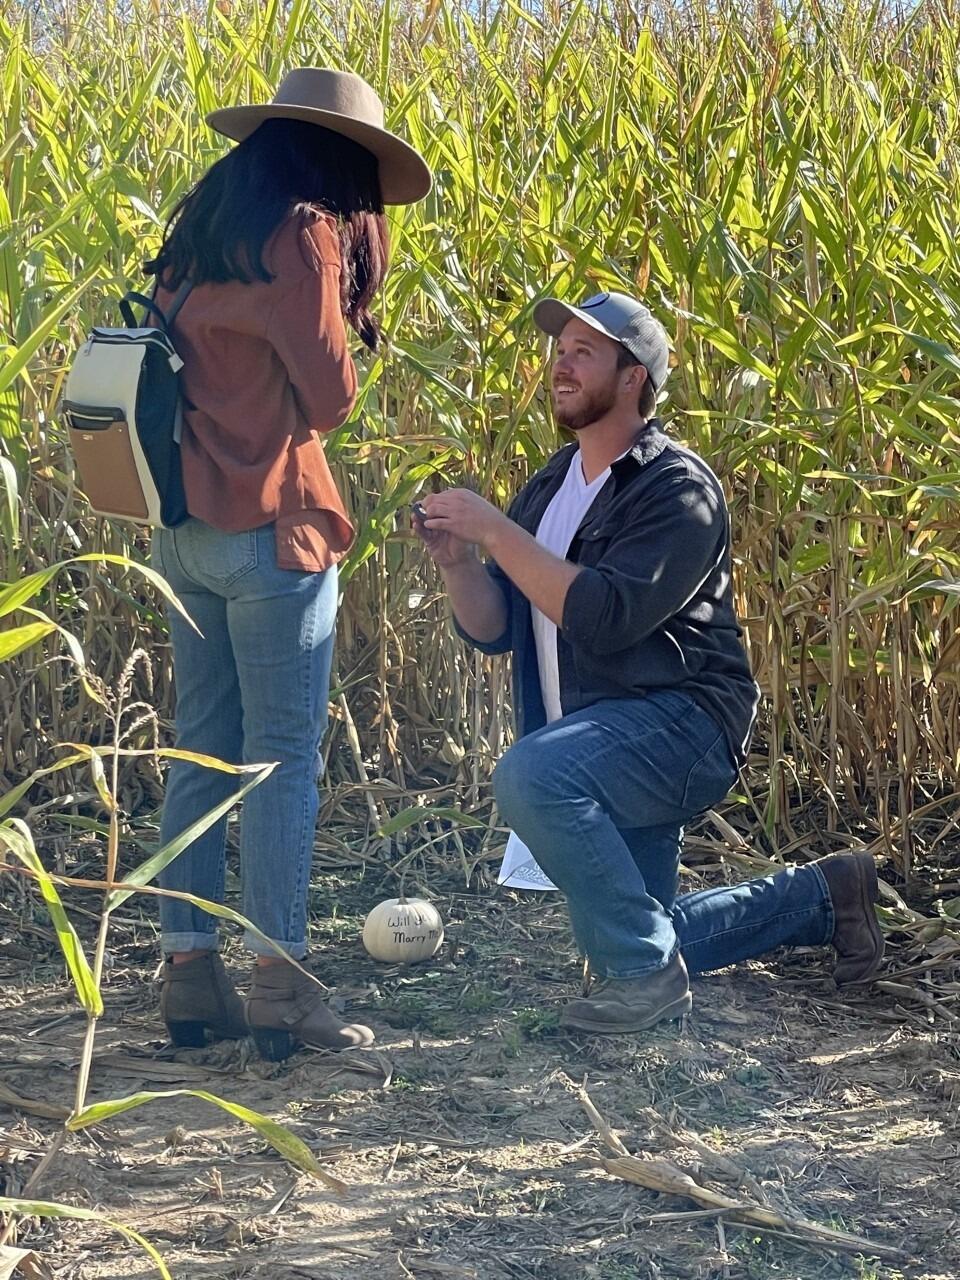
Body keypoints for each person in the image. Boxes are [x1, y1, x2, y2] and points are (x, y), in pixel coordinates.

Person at [414, 290, 884, 1034]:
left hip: (683, 727)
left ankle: (646, 977)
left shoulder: (677, 488)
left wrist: (499, 533)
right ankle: (827, 894)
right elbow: (498, 626)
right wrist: (460, 565)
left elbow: (603, 617)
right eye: (558, 350)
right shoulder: (549, 487)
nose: (560, 366)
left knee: (534, 777)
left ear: (633, 377)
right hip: (601, 738)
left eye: (583, 353)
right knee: (640, 933)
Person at [149, 68, 431, 1061]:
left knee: (202, 749)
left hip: (180, 530)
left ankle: (189, 976)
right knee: (278, 763)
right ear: (343, 163)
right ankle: (281, 984)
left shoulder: (201, 229)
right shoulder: (308, 231)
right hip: (272, 533)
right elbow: (330, 396)